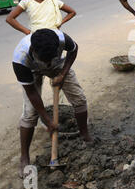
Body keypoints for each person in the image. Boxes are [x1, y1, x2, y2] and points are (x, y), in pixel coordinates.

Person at [13, 28, 92, 177]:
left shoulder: (62, 39)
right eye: (45, 60)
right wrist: (46, 119)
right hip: (32, 69)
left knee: (79, 99)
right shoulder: (20, 59)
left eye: (50, 58)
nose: (47, 64)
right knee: (30, 114)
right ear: (33, 50)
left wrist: (63, 74)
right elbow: (31, 92)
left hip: (59, 65)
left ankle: (85, 135)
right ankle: (24, 157)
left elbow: (73, 51)